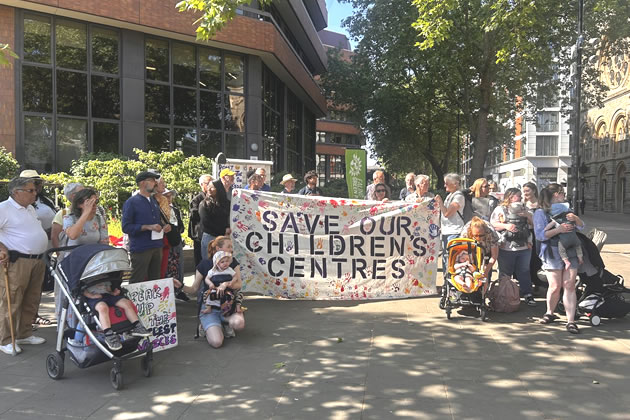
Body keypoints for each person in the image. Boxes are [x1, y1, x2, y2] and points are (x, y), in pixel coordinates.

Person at [0, 177, 49, 355]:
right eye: (30, 190)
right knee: (11, 299)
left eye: (35, 190)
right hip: (17, 261)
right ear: (16, 192)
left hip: (37, 260)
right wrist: (2, 248)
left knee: (32, 297)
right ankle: (6, 338)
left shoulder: (29, 208)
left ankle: (24, 333)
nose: (35, 193)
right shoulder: (4, 209)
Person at [534, 183, 585, 334]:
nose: (564, 196)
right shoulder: (541, 212)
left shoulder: (566, 210)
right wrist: (559, 229)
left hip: (571, 251)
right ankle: (550, 312)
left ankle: (571, 321)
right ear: (556, 194)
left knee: (569, 285)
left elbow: (581, 227)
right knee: (555, 286)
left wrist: (575, 218)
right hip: (552, 251)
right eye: (562, 193)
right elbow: (540, 235)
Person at [182, 236, 245, 348]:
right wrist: (180, 287)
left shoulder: (232, 263)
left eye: (232, 247)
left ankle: (225, 322)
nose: (231, 249)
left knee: (239, 324)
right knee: (216, 342)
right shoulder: (205, 264)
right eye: (228, 246)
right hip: (210, 307)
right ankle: (207, 326)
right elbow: (193, 289)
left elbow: (239, 284)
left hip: (227, 305)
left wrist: (225, 284)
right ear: (218, 248)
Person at [20, 170, 57, 327]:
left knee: (36, 289)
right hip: (23, 255)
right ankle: (19, 323)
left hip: (43, 252)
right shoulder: (21, 204)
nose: (38, 186)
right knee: (22, 289)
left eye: (38, 182)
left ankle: (32, 317)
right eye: (34, 183)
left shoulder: (45, 200)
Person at [122, 171, 170, 283]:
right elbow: (126, 227)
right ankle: (132, 301)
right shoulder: (132, 202)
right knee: (137, 280)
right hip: (141, 248)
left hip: (157, 246)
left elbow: (155, 221)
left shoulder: (153, 201)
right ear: (143, 183)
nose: (155, 183)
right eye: (152, 180)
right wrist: (147, 227)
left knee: (155, 280)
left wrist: (164, 227)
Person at [490, 188, 536, 306]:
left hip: (524, 246)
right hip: (506, 247)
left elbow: (534, 224)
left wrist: (527, 215)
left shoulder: (524, 208)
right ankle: (503, 294)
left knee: (524, 271)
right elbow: (492, 225)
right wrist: (506, 226)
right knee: (505, 273)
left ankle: (527, 294)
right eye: (518, 196)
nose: (521, 198)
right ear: (510, 197)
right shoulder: (500, 209)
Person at [82, 276, 151, 350]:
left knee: (126, 303)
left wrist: (113, 293)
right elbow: (82, 290)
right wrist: (92, 296)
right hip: (93, 298)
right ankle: (108, 334)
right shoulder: (86, 277)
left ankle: (137, 326)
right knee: (103, 307)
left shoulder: (103, 274)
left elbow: (108, 289)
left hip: (107, 295)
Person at [434, 173, 466, 277]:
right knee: (445, 258)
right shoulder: (450, 196)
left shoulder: (458, 197)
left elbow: (447, 213)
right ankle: (446, 283)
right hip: (447, 231)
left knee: (452, 259)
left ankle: (452, 283)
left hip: (455, 232)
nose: (444, 186)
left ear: (455, 184)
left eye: (447, 183)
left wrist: (440, 202)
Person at [202, 169, 233, 260]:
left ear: (218, 189)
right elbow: (206, 223)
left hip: (223, 238)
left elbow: (228, 217)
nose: (210, 190)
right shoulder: (204, 204)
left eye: (212, 188)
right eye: (209, 187)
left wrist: (227, 228)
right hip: (210, 237)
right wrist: (223, 230)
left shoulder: (226, 203)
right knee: (209, 263)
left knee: (223, 262)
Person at [164, 188, 188, 301]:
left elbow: (181, 226)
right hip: (166, 243)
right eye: (166, 196)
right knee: (168, 268)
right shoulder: (160, 210)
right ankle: (168, 292)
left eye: (170, 196)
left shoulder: (175, 210)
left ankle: (179, 290)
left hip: (177, 241)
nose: (169, 198)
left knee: (179, 266)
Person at [522, 182, 543, 291]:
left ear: (534, 190)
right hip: (525, 233)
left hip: (536, 234)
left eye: (527, 191)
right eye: (524, 191)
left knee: (536, 258)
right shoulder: (522, 204)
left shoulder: (541, 204)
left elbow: (539, 223)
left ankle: (537, 282)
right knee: (525, 258)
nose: (525, 193)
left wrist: (528, 216)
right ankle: (526, 282)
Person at [550, 202, 584, 270]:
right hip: (575, 239)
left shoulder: (556, 219)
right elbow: (581, 226)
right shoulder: (570, 217)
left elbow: (546, 229)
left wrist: (547, 229)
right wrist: (576, 219)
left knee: (561, 250)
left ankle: (566, 261)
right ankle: (580, 258)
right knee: (578, 247)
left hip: (563, 241)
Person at [202, 251, 236, 315]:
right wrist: (210, 284)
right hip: (216, 288)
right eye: (222, 262)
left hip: (227, 289)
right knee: (208, 295)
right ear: (217, 263)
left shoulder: (229, 270)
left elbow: (235, 277)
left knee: (229, 297)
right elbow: (206, 278)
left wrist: (231, 282)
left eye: (227, 261)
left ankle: (227, 309)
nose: (225, 263)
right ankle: (209, 308)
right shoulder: (213, 271)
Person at [189, 174, 212, 267]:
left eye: (211, 183)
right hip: (200, 234)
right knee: (200, 261)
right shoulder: (197, 199)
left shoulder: (214, 198)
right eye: (208, 183)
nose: (210, 185)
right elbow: (194, 215)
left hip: (212, 233)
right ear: (202, 185)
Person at [51, 182, 84, 248]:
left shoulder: (94, 211)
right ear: (73, 196)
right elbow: (55, 237)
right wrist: (60, 255)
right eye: (83, 192)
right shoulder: (62, 214)